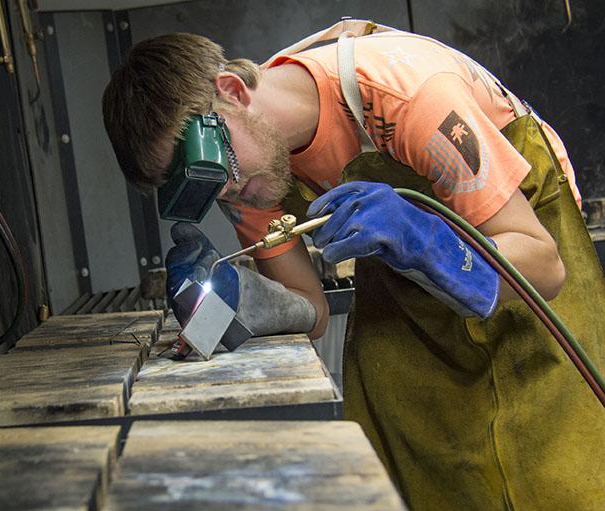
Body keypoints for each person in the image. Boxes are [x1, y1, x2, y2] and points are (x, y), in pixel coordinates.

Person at [102, 19, 605, 510]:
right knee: (400, 462)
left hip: (526, 286)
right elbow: (311, 310)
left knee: (558, 478)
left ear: (232, 90)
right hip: (412, 296)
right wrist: (237, 304)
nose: (226, 194)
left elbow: (544, 269)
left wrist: (426, 238)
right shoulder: (248, 173)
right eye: (204, 184)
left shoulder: (410, 98)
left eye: (217, 167)